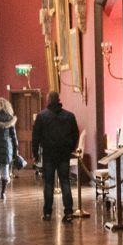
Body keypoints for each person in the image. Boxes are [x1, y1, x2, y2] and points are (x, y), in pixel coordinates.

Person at [30, 92, 80, 220]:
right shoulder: (69, 116)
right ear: (58, 100)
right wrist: (71, 148)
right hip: (64, 154)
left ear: (48, 100)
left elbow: (35, 137)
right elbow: (75, 134)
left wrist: (35, 154)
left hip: (48, 154)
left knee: (48, 183)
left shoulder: (42, 116)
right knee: (65, 182)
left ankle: (47, 213)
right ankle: (68, 212)